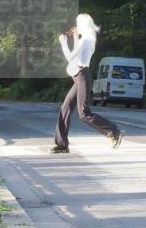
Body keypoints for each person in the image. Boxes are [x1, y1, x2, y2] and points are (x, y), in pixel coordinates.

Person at [51, 14, 123, 153]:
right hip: (78, 76)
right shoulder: (86, 39)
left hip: (83, 75)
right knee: (65, 107)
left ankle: (113, 131)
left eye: (78, 24)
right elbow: (76, 56)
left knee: (84, 113)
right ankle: (61, 144)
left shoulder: (86, 40)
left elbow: (70, 57)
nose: (76, 27)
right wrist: (74, 38)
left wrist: (63, 43)